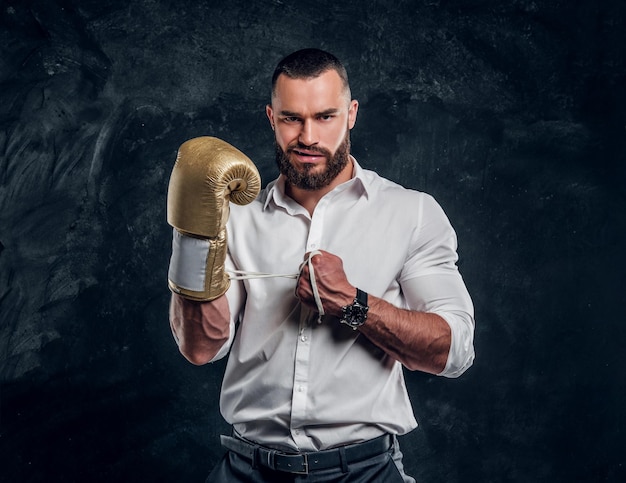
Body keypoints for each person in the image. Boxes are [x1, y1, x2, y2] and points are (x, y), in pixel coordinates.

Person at [167, 48, 475, 482]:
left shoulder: (412, 213)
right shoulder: (236, 217)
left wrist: (353, 303)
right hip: (248, 470)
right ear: (271, 118)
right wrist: (194, 234)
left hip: (365, 471)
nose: (308, 136)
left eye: (325, 117)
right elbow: (200, 348)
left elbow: (455, 350)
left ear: (350, 115)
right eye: (292, 118)